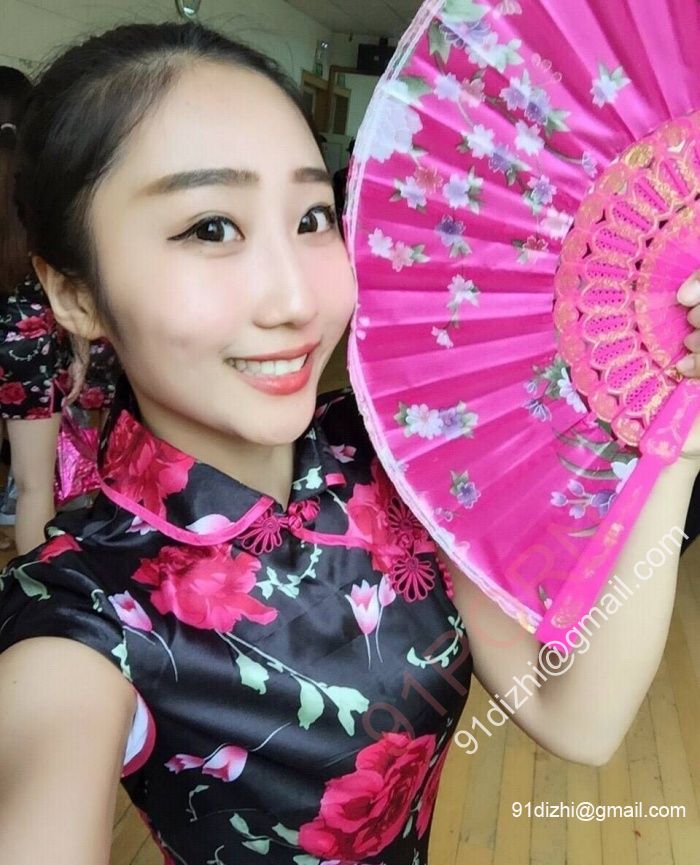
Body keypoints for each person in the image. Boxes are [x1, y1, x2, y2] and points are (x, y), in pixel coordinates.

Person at [0, 21, 700, 865]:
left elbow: (577, 715)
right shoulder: (80, 611)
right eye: (211, 228)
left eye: (312, 217)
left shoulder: (390, 455)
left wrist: (680, 439)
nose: (296, 298)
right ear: (74, 293)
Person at [0, 66, 81, 554]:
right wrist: (81, 350)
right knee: (33, 487)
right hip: (27, 344)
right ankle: (32, 588)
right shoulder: (41, 183)